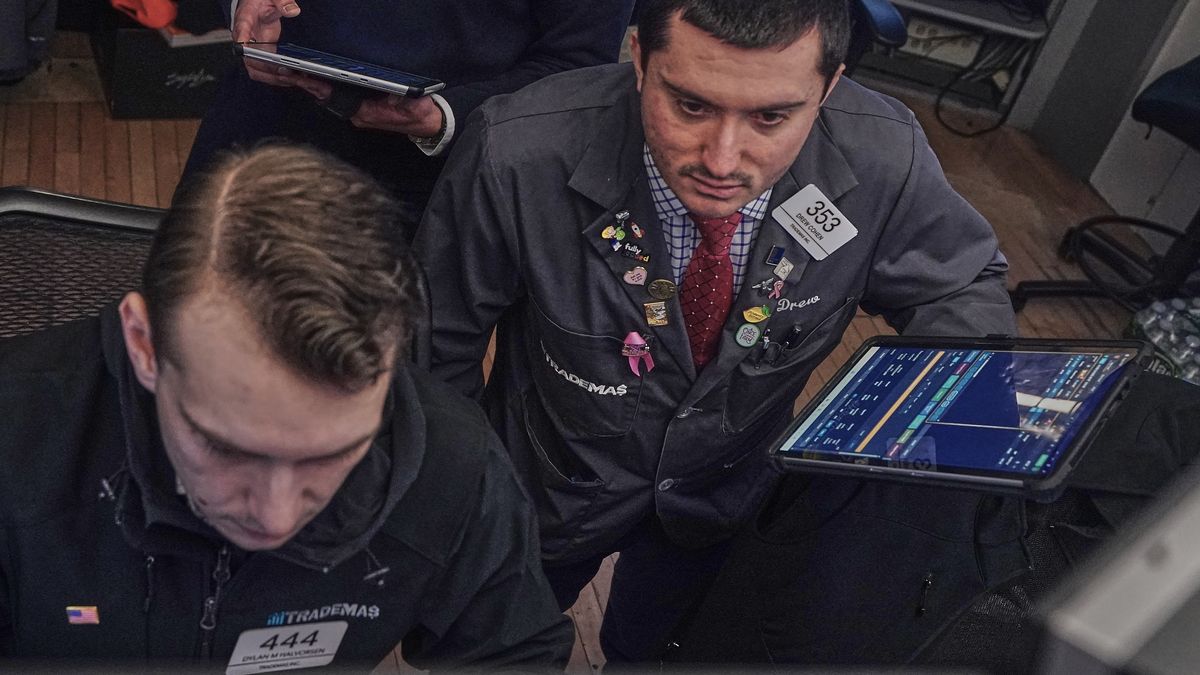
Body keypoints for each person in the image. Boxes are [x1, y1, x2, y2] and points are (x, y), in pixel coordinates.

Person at [414, 0, 1018, 664]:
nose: (722, 160)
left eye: (771, 117)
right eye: (691, 106)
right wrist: (466, 504)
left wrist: (912, 426)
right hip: (545, 488)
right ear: (639, 59)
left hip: (727, 493)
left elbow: (959, 287)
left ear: (830, 87)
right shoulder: (518, 150)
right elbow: (435, 346)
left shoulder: (883, 156)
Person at [0, 144, 573, 670]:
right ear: (144, 344)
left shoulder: (452, 464)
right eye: (225, 448)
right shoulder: (14, 440)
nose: (275, 518)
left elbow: (516, 653)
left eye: (334, 454)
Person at [181, 0, 635, 228]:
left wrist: (448, 116)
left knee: (381, 369)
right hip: (261, 124)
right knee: (182, 333)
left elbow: (575, 63)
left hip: (435, 179)